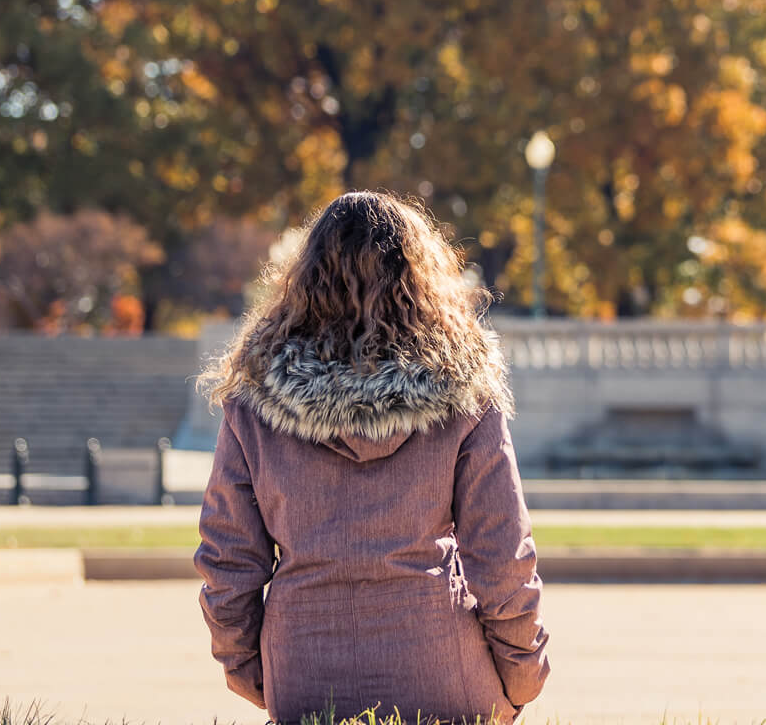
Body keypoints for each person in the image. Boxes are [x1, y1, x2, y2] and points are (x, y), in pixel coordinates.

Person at [195, 191, 550, 723]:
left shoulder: (254, 401)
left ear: (306, 279)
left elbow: (229, 559)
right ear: (421, 279)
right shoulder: (465, 394)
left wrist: (250, 669)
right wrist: (523, 675)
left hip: (303, 668)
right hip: (442, 668)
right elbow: (503, 555)